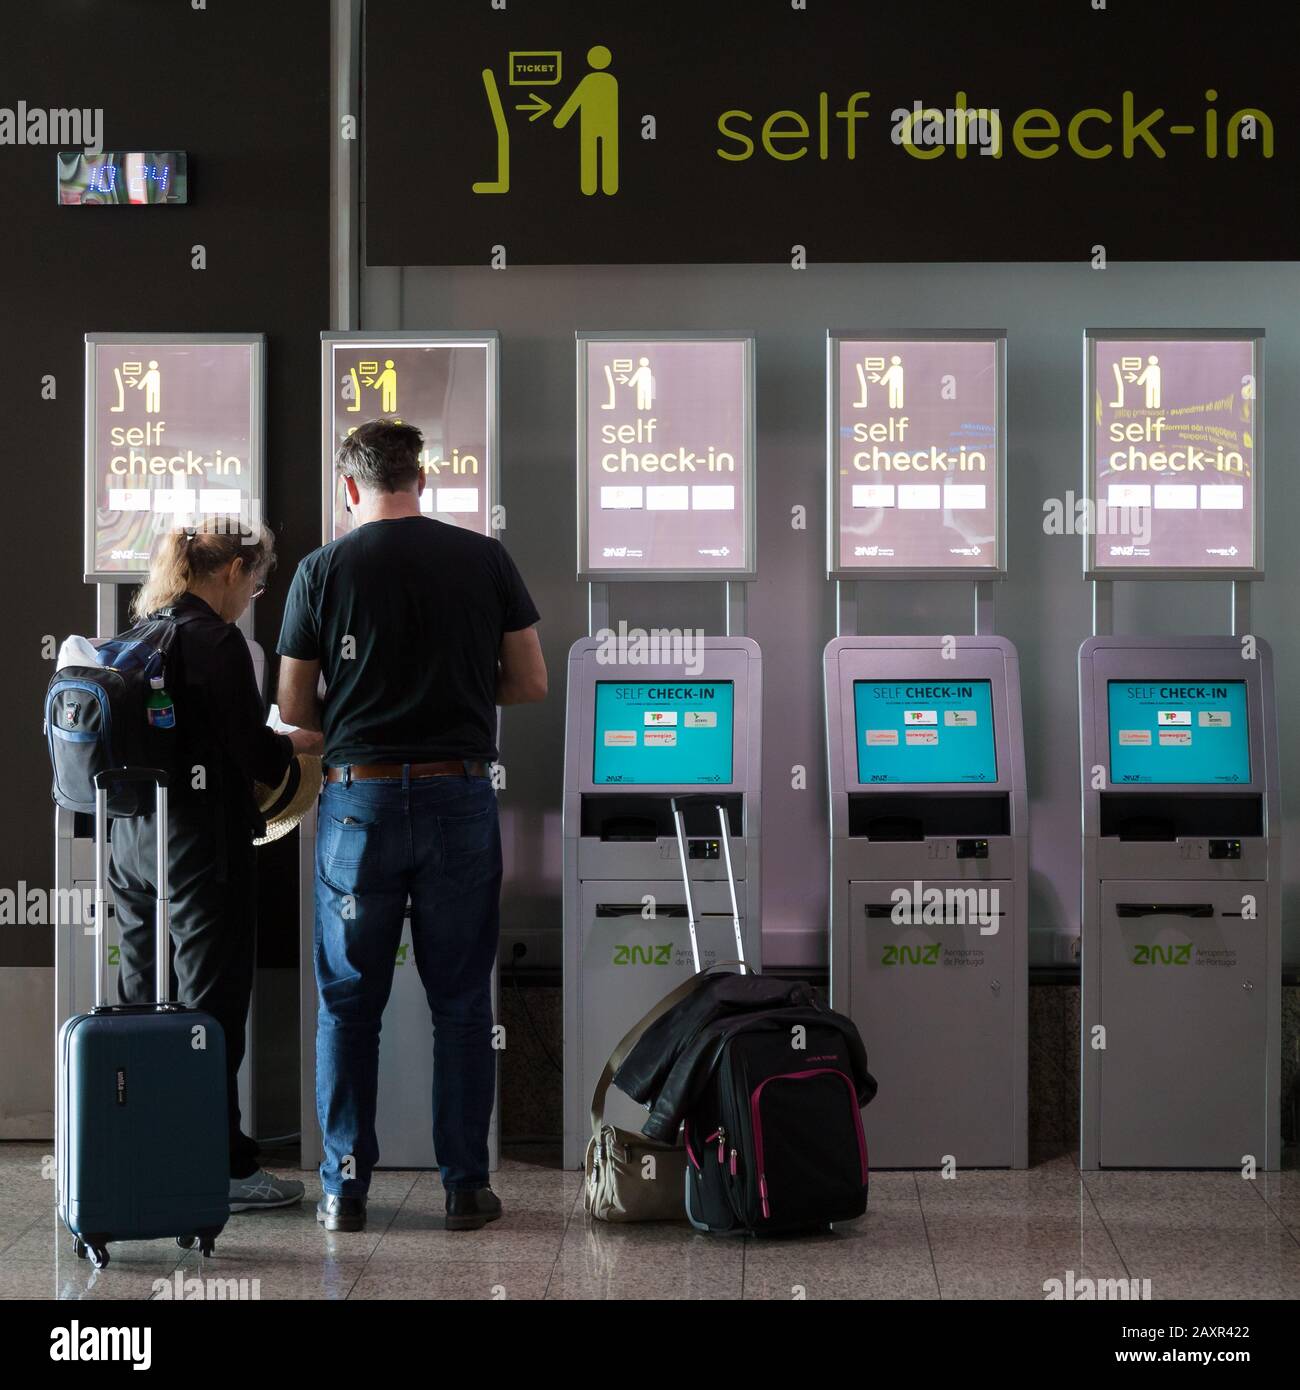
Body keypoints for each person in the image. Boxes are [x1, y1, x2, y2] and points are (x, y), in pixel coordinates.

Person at [276, 420, 546, 1233]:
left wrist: (362, 706)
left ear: (350, 489)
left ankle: (344, 1191)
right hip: (458, 799)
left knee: (350, 1002)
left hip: (357, 806)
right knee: (462, 1001)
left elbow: (293, 710)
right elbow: (528, 681)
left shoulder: (322, 570)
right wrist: (453, 691)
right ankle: (465, 1186)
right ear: (421, 480)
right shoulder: (484, 558)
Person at [111, 517, 322, 1210]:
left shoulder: (135, 634)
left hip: (132, 846)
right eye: (256, 582)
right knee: (212, 1008)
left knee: (142, 1002)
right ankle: (222, 1168)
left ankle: (141, 1147)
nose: (254, 594)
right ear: (231, 572)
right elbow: (252, 750)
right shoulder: (218, 641)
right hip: (203, 849)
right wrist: (298, 746)